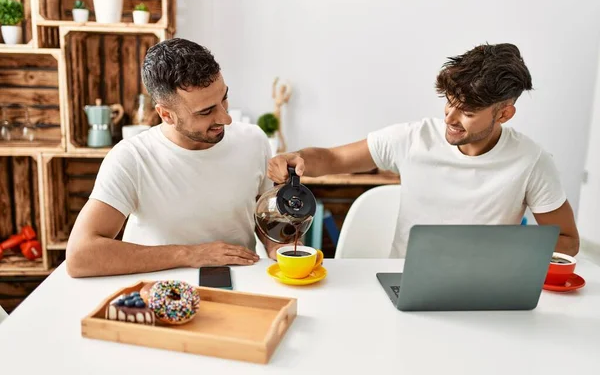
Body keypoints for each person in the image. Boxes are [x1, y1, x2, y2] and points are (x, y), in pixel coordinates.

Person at [268, 43, 580, 258]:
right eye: (449, 103)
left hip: (485, 291)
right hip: (401, 280)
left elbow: (568, 241)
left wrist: (499, 245)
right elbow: (334, 159)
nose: (450, 118)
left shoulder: (531, 161)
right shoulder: (414, 138)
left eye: (467, 112)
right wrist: (297, 158)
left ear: (504, 114)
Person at [66, 38, 288, 278]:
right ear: (166, 114)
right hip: (157, 292)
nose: (226, 118)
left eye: (223, 98)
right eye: (206, 111)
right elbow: (80, 256)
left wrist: (277, 245)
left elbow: (264, 216)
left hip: (241, 285)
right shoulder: (132, 158)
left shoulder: (254, 140)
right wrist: (190, 255)